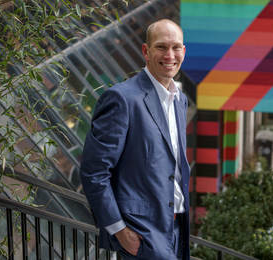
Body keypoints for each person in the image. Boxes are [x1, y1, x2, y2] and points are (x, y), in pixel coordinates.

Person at [80, 19, 190, 260]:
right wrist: (119, 230)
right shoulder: (122, 99)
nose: (169, 55)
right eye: (161, 47)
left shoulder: (180, 100)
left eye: (176, 47)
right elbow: (94, 171)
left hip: (177, 228)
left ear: (183, 51)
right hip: (141, 233)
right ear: (146, 51)